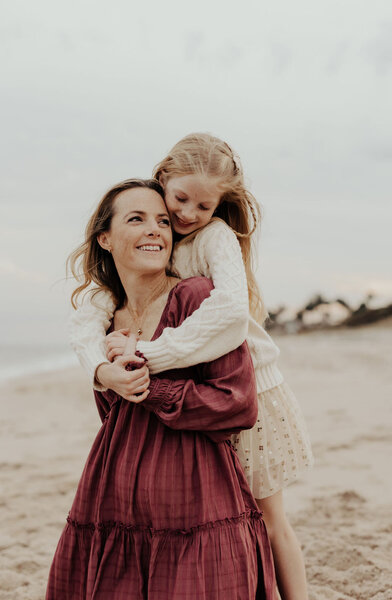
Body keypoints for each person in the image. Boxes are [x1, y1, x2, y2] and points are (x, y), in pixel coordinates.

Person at [70, 133, 313, 600]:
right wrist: (102, 368)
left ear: (218, 208)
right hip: (199, 371)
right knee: (238, 513)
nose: (185, 214)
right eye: (178, 199)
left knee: (267, 515)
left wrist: (149, 356)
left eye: (202, 206)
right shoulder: (153, 244)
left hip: (254, 389)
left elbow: (228, 312)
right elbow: (89, 315)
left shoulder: (214, 237)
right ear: (162, 179)